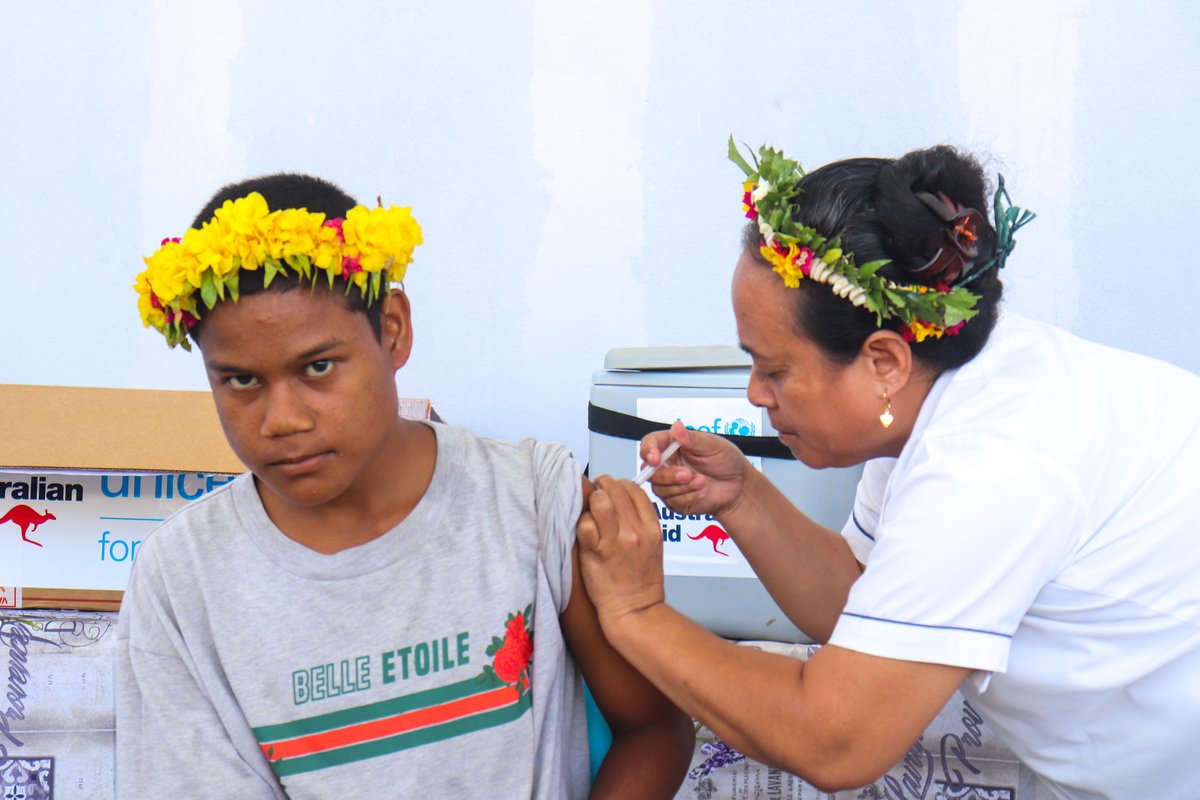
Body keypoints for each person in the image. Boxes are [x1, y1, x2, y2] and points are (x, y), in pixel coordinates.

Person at [576, 141, 1200, 799]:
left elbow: (837, 739)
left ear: (883, 363)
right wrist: (743, 498)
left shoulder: (990, 464)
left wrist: (635, 611)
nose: (756, 396)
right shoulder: (940, 393)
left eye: (775, 370)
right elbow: (860, 601)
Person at [118, 173, 693, 798]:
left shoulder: (530, 500)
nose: (283, 420)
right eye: (239, 381)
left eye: (318, 367)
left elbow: (653, 727)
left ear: (392, 329)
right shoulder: (181, 580)